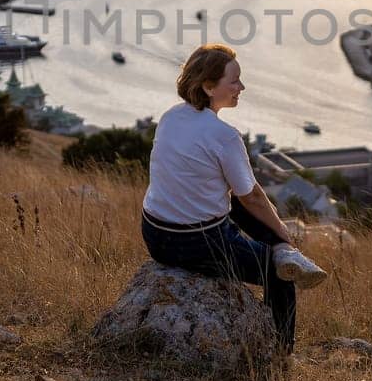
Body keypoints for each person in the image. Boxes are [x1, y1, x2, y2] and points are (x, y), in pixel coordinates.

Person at [140, 43, 327, 354]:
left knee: (232, 201)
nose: (242, 87)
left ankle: (282, 251)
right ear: (209, 86)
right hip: (193, 244)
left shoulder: (170, 117)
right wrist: (283, 234)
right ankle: (281, 353)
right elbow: (252, 196)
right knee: (277, 273)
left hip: (154, 234)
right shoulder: (225, 136)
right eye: (234, 81)